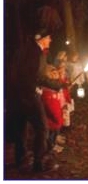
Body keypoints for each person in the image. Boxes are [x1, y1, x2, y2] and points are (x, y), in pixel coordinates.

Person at [8, 28, 60, 172]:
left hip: (17, 97)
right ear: (41, 39)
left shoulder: (22, 51)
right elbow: (38, 77)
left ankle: (21, 159)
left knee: (22, 129)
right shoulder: (37, 54)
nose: (50, 40)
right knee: (42, 128)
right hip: (29, 97)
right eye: (48, 37)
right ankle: (39, 162)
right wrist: (57, 85)